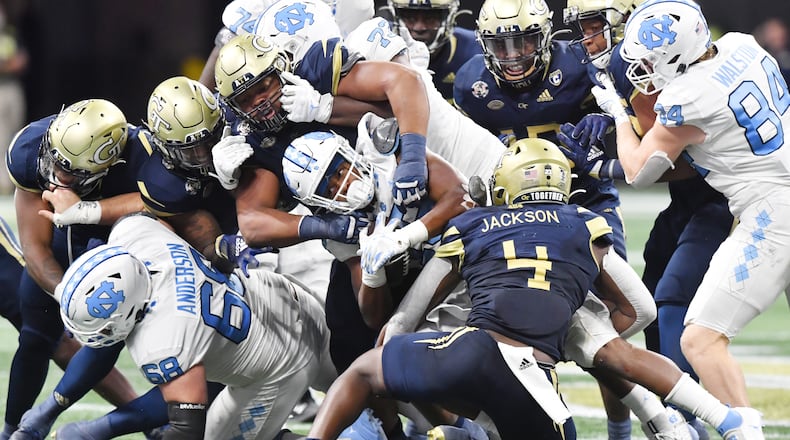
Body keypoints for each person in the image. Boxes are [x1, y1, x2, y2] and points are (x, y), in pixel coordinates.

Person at [306, 138, 607, 440]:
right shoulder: (582, 222)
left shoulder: (472, 221)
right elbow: (638, 311)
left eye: (340, 172)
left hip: (471, 345)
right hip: (533, 379)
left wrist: (401, 244)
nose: (341, 185)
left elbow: (399, 321)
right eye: (329, 187)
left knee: (367, 368)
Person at [594, 0, 790, 436]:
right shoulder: (742, 46)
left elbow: (639, 170)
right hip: (780, 182)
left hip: (772, 212)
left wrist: (619, 114)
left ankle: (745, 432)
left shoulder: (690, 97)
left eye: (650, 59)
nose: (643, 68)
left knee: (700, 340)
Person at [452, 0, 637, 433]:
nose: (514, 55)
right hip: (510, 216)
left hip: (584, 203)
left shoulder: (579, 64)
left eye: (525, 41)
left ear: (548, 35)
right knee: (495, 319)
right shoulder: (470, 84)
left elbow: (634, 114)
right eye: (502, 45)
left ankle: (620, 428)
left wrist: (607, 121)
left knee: (611, 321)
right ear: (483, 45)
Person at [561, 1, 734, 438]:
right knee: (656, 293)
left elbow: (690, 158)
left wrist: (607, 164)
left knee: (674, 297)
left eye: (595, 25)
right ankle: (676, 416)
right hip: (690, 200)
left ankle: (688, 422)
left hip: (731, 197)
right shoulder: (629, 69)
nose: (588, 37)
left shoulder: (674, 69)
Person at [57, 212, 339, 440]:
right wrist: (227, 248)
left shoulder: (162, 343)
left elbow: (186, 429)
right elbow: (180, 215)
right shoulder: (137, 237)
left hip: (278, 370)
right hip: (286, 300)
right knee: (364, 387)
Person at [3, 99, 159, 440]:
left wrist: (91, 210)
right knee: (35, 335)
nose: (56, 175)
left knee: (115, 330)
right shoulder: (32, 146)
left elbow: (166, 200)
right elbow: (35, 247)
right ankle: (13, 429)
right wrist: (65, 293)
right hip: (58, 240)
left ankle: (145, 422)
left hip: (118, 242)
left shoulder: (139, 158)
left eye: (70, 171)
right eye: (54, 159)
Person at [385, 0, 482, 102]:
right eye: (410, 18)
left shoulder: (475, 49)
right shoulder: (378, 43)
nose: (419, 28)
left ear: (449, 17)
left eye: (429, 18)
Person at [0, 0, 27, 195]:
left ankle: (11, 181)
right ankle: (2, 184)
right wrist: (8, 65)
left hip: (13, 88)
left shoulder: (9, 33)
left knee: (16, 134)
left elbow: (22, 58)